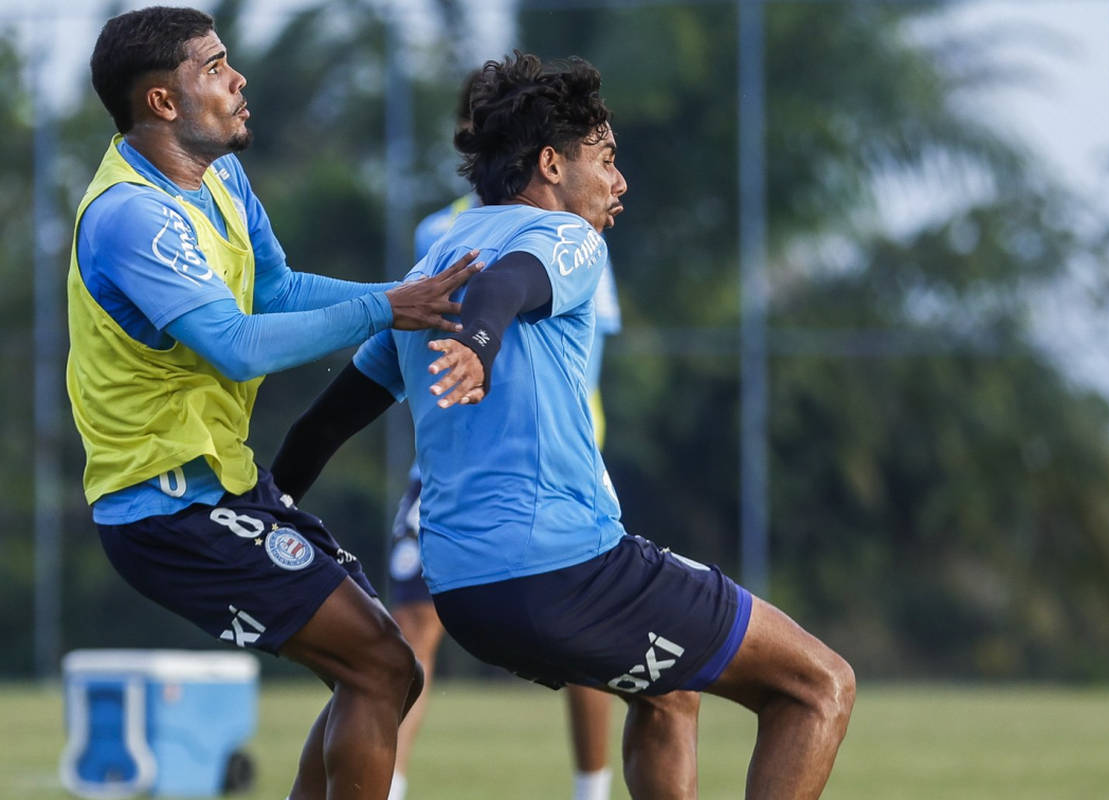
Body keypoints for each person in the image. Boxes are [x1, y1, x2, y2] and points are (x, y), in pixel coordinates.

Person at [271, 52, 855, 798]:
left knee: (669, 690)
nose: (619, 182)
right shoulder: (569, 237)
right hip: (564, 570)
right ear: (551, 164)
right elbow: (511, 287)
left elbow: (326, 422)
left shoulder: (432, 265)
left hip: (467, 593)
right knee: (818, 685)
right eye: (606, 159)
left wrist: (266, 503)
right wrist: (479, 348)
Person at [65, 8, 482, 799]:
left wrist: (417, 300)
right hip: (164, 510)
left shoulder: (218, 173)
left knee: (381, 668)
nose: (238, 78)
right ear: (162, 102)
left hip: (220, 486)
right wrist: (394, 307)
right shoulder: (133, 217)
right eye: (216, 66)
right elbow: (239, 343)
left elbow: (280, 290)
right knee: (383, 664)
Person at [379, 193, 622, 800]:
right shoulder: (437, 230)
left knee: (593, 631)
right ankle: (389, 786)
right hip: (452, 464)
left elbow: (581, 342)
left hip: (561, 467)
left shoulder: (578, 231)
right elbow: (420, 340)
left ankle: (590, 791)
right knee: (410, 623)